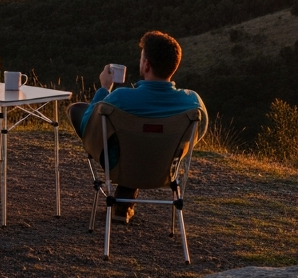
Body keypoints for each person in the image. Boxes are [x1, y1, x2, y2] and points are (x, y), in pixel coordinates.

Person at [69, 30, 206, 224]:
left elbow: (88, 125)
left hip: (122, 167)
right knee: (141, 140)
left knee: (77, 111)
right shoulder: (193, 103)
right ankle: (124, 203)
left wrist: (104, 89)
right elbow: (196, 135)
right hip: (164, 168)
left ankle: (121, 199)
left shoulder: (120, 97)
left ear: (147, 64)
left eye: (142, 58)